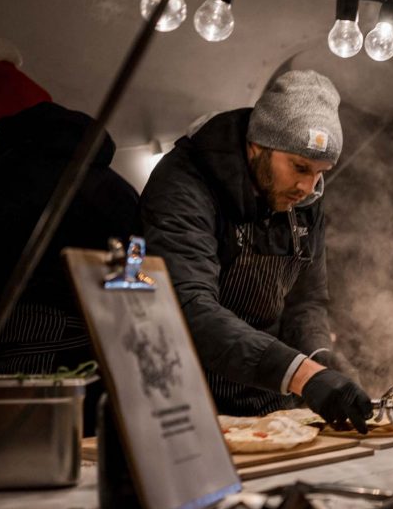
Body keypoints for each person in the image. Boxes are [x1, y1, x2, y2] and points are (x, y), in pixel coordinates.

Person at [140, 70, 372, 432]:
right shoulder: (184, 184)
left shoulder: (307, 196)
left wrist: (319, 357)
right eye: (299, 167)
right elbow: (187, 306)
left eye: (320, 173)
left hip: (272, 403)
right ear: (258, 146)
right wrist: (302, 374)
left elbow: (306, 301)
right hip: (189, 405)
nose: (307, 187)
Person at [0, 38, 138, 376]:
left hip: (35, 364)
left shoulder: (5, 176)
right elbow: (139, 274)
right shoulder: (116, 184)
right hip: (117, 361)